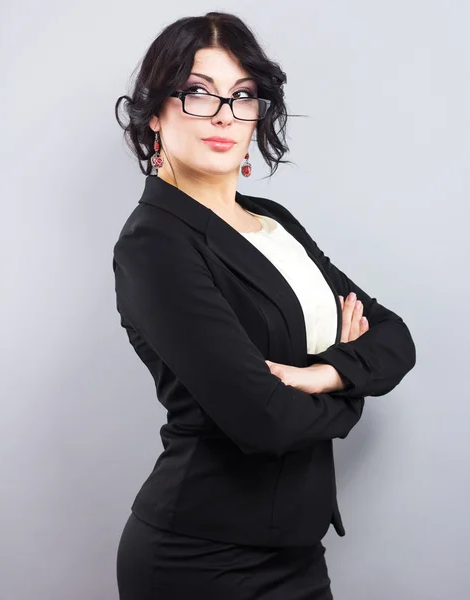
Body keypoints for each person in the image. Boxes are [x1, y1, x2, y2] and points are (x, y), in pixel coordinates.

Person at [112, 11, 416, 600]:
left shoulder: (274, 224)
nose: (224, 114)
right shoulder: (155, 241)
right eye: (198, 93)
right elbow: (263, 420)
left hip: (297, 553)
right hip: (200, 559)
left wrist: (322, 374)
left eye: (243, 95)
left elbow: (395, 336)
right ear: (155, 112)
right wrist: (355, 391)